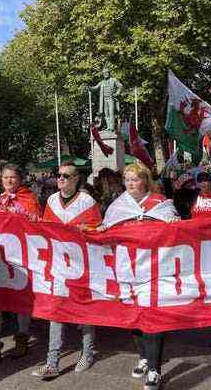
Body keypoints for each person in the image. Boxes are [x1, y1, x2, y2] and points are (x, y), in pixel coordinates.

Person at [101, 162, 180, 390]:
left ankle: (155, 370)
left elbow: (176, 229)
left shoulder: (160, 203)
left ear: (145, 180)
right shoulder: (118, 205)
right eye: (127, 180)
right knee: (134, 316)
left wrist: (173, 223)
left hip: (155, 268)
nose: (131, 184)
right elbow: (107, 229)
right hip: (127, 268)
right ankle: (144, 357)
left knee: (153, 317)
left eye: (135, 179)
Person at [32, 161, 103, 379]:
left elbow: (98, 230)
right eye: (59, 175)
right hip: (58, 264)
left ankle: (87, 352)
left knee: (84, 310)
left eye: (66, 175)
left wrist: (85, 229)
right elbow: (46, 229)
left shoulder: (87, 201)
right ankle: (52, 360)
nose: (60, 178)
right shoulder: (52, 200)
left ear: (76, 179)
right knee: (56, 310)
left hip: (82, 264)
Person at [0, 164, 41, 368]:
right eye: (5, 177)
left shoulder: (28, 198)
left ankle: (22, 338)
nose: (9, 181)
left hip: (21, 257)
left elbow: (36, 223)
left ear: (19, 179)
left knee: (20, 299)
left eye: (12, 177)